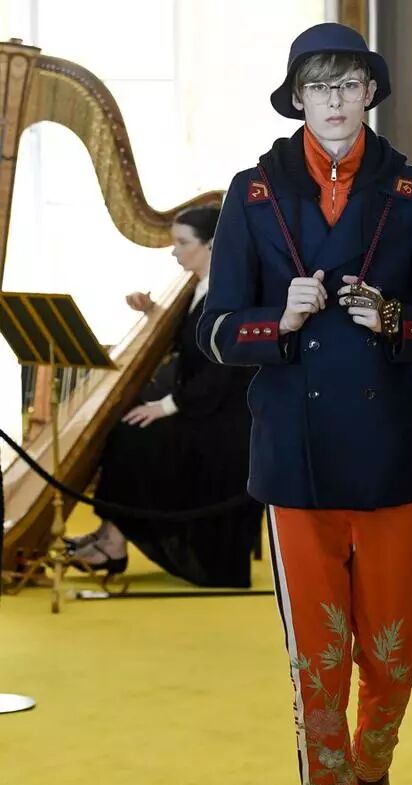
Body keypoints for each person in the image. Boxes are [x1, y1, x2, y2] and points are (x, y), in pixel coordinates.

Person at [197, 23, 412, 785]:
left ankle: (371, 769)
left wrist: (393, 318)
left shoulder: (411, 191)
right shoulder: (252, 193)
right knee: (317, 671)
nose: (332, 100)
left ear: (368, 95)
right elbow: (215, 329)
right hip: (295, 465)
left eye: (348, 84)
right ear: (296, 99)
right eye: (316, 86)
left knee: (391, 660)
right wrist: (275, 322)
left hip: (386, 458)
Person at [70, 206, 261, 588]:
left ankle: (114, 540)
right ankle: (111, 534)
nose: (175, 252)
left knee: (133, 435)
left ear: (213, 245)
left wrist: (167, 406)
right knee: (128, 424)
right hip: (206, 407)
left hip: (226, 422)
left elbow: (221, 374)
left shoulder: (232, 294)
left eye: (182, 243)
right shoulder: (202, 287)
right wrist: (153, 312)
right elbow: (192, 344)